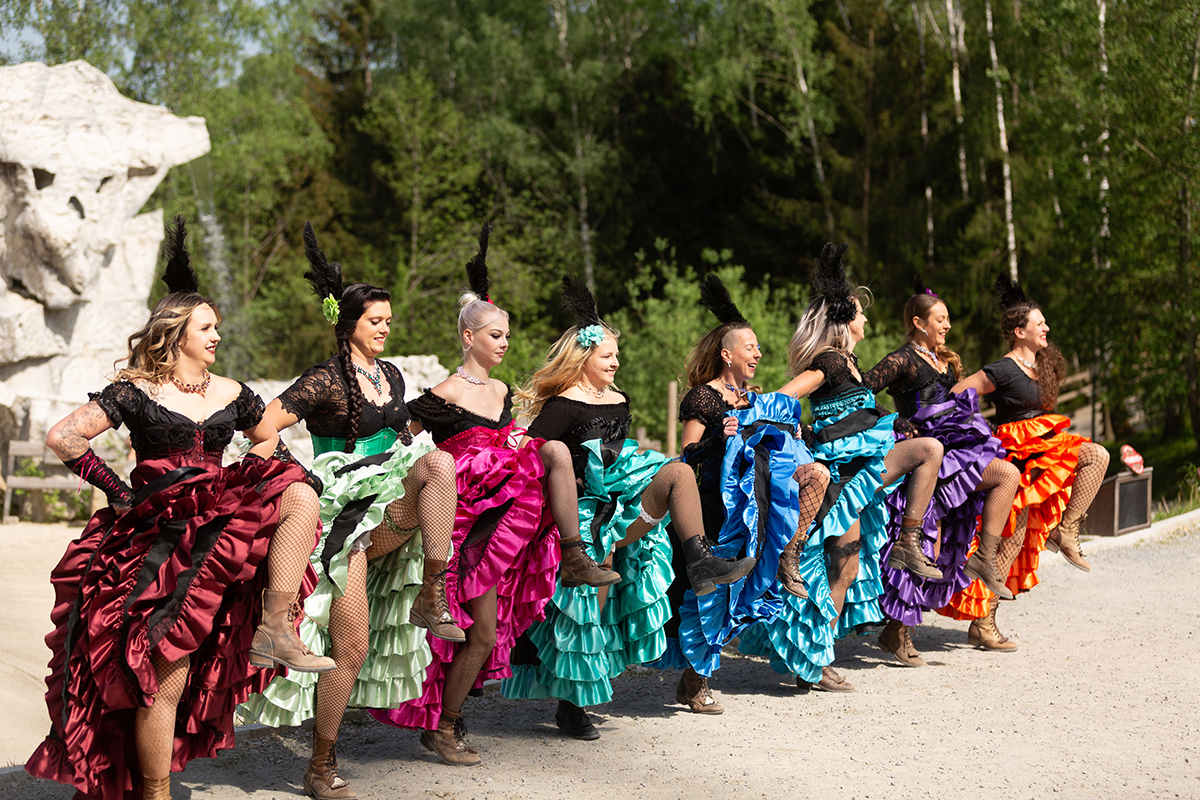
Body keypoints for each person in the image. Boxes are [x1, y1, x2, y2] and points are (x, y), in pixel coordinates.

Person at [26, 217, 332, 800]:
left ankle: (272, 629)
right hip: (157, 540)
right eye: (207, 326)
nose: (217, 335)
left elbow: (268, 436)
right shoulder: (136, 390)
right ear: (178, 332)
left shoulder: (233, 391)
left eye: (218, 326)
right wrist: (118, 492)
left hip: (218, 527)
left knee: (298, 489)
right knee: (165, 672)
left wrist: (256, 468)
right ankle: (155, 792)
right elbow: (65, 438)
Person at [367, 226, 617, 765]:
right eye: (496, 335)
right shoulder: (443, 394)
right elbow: (401, 440)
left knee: (551, 452)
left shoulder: (503, 392)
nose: (505, 343)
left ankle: (571, 554)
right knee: (472, 634)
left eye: (507, 335)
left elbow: (513, 441)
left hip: (506, 513)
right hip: (462, 522)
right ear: (469, 339)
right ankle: (441, 726)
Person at [239, 223, 461, 800]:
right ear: (349, 325)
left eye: (388, 321)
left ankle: (430, 594)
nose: (386, 329)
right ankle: (320, 762)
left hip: (389, 507)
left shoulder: (390, 375)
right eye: (375, 321)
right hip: (344, 518)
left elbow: (406, 437)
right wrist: (289, 472)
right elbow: (263, 425)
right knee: (351, 648)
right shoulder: (324, 379)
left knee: (438, 466)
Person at [501, 276, 755, 740]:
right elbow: (531, 455)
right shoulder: (561, 405)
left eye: (617, 354)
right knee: (592, 600)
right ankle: (571, 703)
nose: (617, 361)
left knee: (678, 473)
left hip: (624, 500)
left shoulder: (620, 399)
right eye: (608, 355)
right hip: (579, 513)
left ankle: (699, 561)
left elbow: (623, 454)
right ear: (584, 359)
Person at [740, 243, 943, 692]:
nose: (866, 320)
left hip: (863, 466)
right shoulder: (830, 361)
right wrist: (757, 408)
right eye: (860, 313)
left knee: (847, 565)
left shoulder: (849, 363)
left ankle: (818, 654)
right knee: (841, 565)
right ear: (844, 320)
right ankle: (814, 659)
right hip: (845, 475)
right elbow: (790, 392)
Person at [655, 273, 830, 713]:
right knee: (713, 594)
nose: (757, 353)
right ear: (726, 353)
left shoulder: (754, 397)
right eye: (749, 346)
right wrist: (720, 437)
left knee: (817, 476)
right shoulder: (703, 398)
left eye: (757, 347)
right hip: (714, 506)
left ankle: (790, 552)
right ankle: (694, 681)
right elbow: (687, 456)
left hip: (758, 505)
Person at [939, 275, 1108, 649]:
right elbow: (956, 393)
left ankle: (1067, 528)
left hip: (1048, 450)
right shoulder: (1002, 369)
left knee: (1097, 455)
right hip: (1018, 458)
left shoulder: (1043, 367)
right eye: (1040, 323)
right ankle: (984, 623)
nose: (1046, 328)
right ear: (1019, 331)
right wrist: (973, 433)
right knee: (1010, 543)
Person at [861, 277, 1020, 666]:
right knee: (927, 539)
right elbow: (862, 390)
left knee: (1006, 475)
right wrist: (895, 420)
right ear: (919, 322)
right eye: (940, 319)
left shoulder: (943, 359)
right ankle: (896, 631)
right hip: (927, 457)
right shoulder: (902, 359)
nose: (947, 325)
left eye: (947, 319)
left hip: (956, 449)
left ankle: (984, 556)